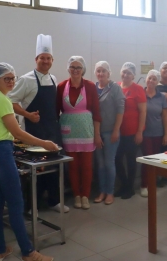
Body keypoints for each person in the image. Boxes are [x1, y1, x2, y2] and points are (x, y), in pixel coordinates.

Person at [0, 63, 57, 261]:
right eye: (6, 78)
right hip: (1, 152)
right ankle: (28, 252)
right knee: (16, 204)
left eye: (12, 78)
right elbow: (18, 132)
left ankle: (0, 250)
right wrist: (44, 143)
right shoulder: (1, 100)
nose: (10, 82)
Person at [8, 34, 68, 213]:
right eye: (42, 58)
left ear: (52, 60)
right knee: (34, 168)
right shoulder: (26, 79)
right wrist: (27, 114)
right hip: (33, 131)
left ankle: (53, 201)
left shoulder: (53, 79)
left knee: (54, 165)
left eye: (48, 58)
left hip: (52, 129)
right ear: (36, 59)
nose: (45, 61)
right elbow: (10, 101)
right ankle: (30, 205)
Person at [56, 56, 102, 210]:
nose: (75, 70)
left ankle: (85, 195)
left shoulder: (89, 86)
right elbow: (56, 111)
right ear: (68, 69)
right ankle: (76, 194)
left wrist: (97, 134)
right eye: (73, 67)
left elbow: (96, 112)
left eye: (78, 68)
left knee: (87, 165)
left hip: (86, 130)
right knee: (73, 166)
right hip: (68, 131)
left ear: (83, 70)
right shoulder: (62, 86)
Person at [93, 61, 125, 205]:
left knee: (109, 163)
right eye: (98, 71)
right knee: (100, 164)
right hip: (97, 132)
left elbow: (120, 110)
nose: (101, 74)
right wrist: (96, 134)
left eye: (103, 71)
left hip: (111, 132)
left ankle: (110, 192)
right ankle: (102, 191)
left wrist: (116, 130)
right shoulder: (93, 88)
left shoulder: (115, 88)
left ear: (109, 73)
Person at [114, 62, 147, 199]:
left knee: (130, 160)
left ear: (133, 76)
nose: (126, 75)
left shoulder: (137, 89)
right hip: (118, 131)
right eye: (124, 72)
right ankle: (124, 184)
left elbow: (143, 111)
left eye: (129, 73)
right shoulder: (116, 87)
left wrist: (139, 131)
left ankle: (130, 188)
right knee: (117, 159)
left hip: (132, 132)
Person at [141, 69, 167, 197]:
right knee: (146, 158)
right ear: (146, 79)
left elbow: (165, 116)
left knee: (155, 159)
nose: (151, 81)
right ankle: (144, 185)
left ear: (157, 82)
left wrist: (166, 134)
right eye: (149, 78)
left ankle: (152, 183)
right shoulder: (141, 93)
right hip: (144, 132)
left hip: (158, 132)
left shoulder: (161, 97)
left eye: (154, 79)